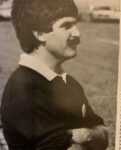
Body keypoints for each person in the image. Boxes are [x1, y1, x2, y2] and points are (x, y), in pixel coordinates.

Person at [0, 0, 108, 149]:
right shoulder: (25, 91)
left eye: (75, 24)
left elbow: (104, 135)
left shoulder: (69, 82)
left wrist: (86, 134)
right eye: (66, 25)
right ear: (39, 33)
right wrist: (91, 136)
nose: (77, 33)